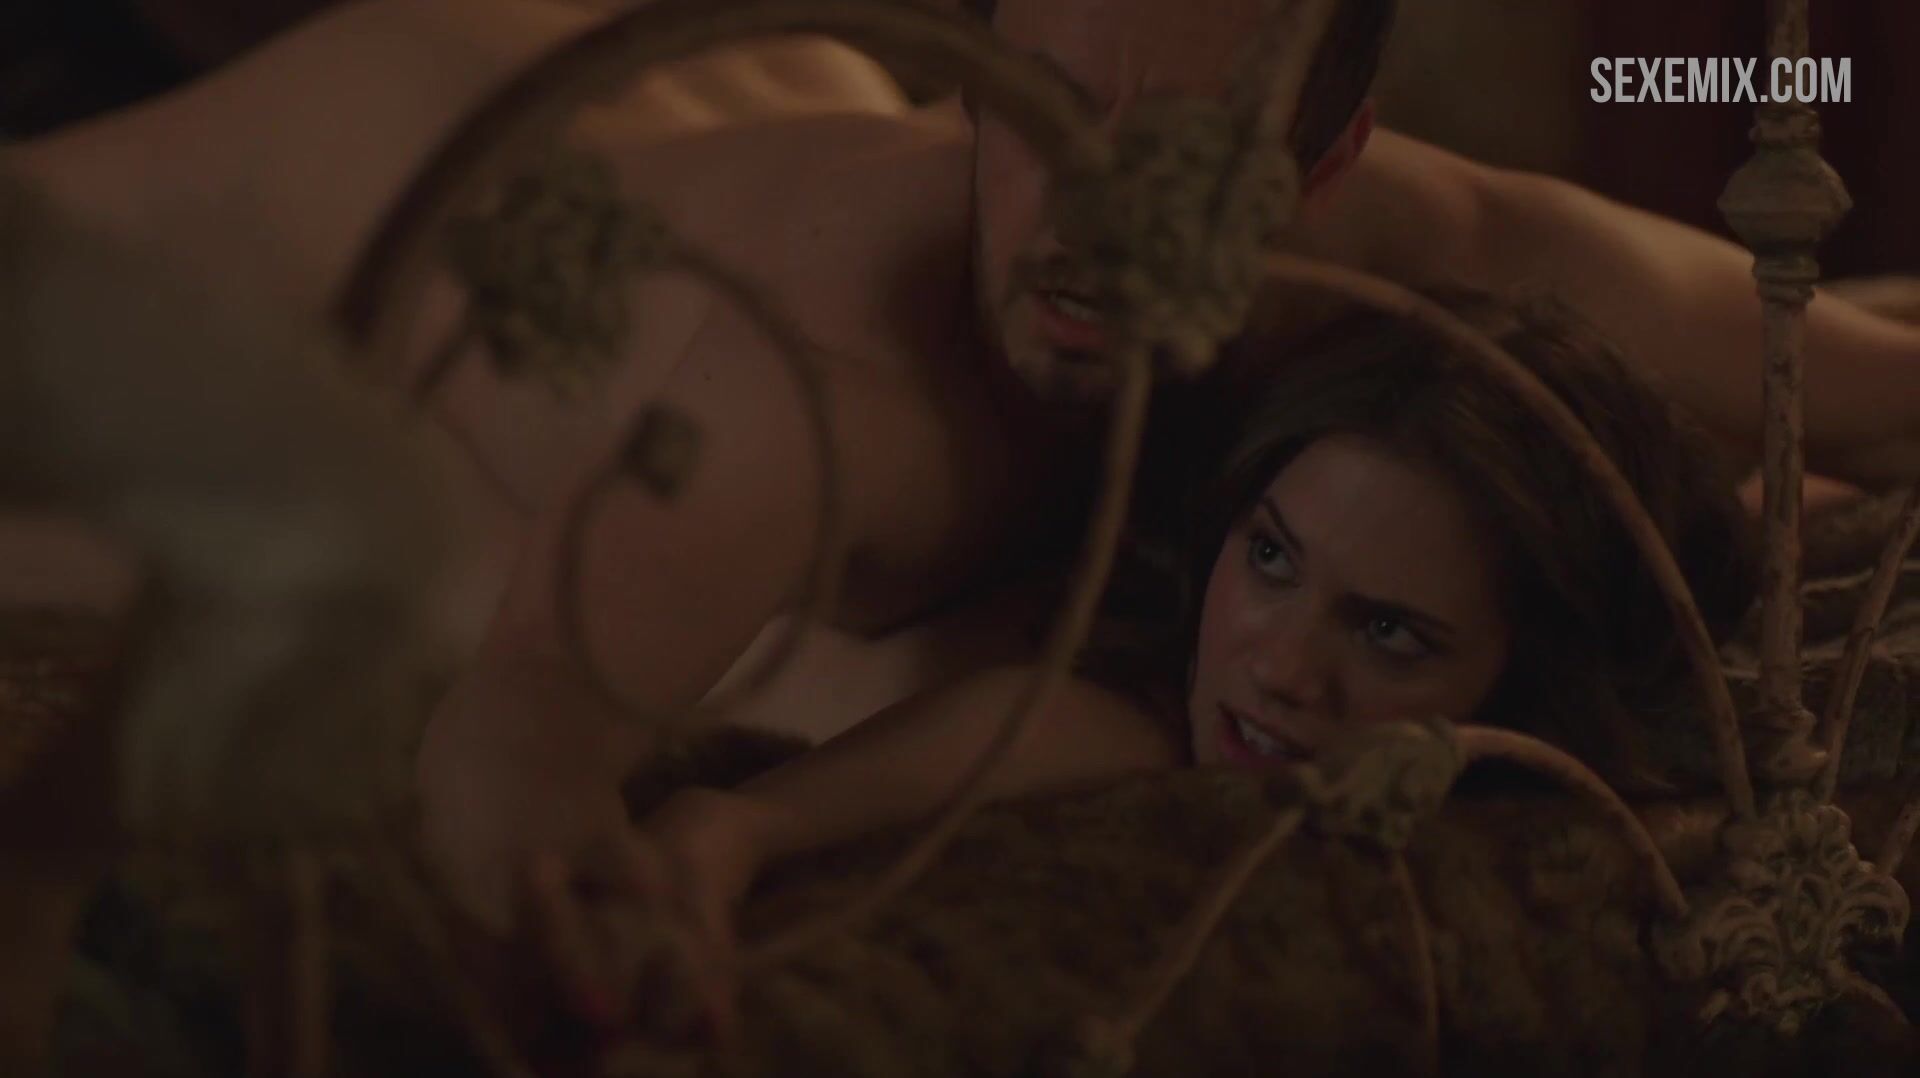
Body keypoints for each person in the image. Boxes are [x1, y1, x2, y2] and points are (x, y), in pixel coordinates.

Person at [6, 0, 1916, 924]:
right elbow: (524, 724)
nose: (1082, 225)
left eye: (1174, 161)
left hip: (732, 124)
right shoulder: (832, 378)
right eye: (1041, 110)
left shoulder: (1423, 244)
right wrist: (591, 944)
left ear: (1319, 169)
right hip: (359, 191)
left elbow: (1855, 373)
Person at [525, 288, 1757, 1029]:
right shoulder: (1147, 689)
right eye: (1270, 557)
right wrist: (720, 837)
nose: (1280, 667)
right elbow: (1035, 728)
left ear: (1531, 677)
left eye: (1386, 631)